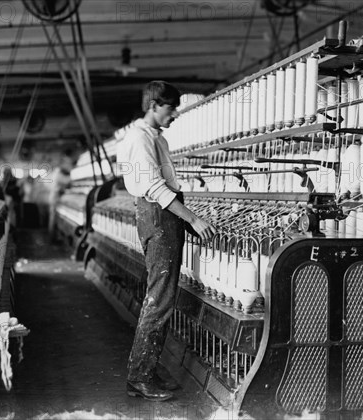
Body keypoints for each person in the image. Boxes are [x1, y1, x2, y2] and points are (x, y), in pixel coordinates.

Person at [119, 81, 216, 401]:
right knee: (159, 298)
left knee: (162, 296)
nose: (174, 114)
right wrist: (192, 218)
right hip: (157, 216)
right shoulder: (139, 138)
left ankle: (146, 367)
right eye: (170, 108)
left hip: (163, 216)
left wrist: (184, 218)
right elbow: (155, 189)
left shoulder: (153, 137)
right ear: (154, 106)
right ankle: (140, 376)